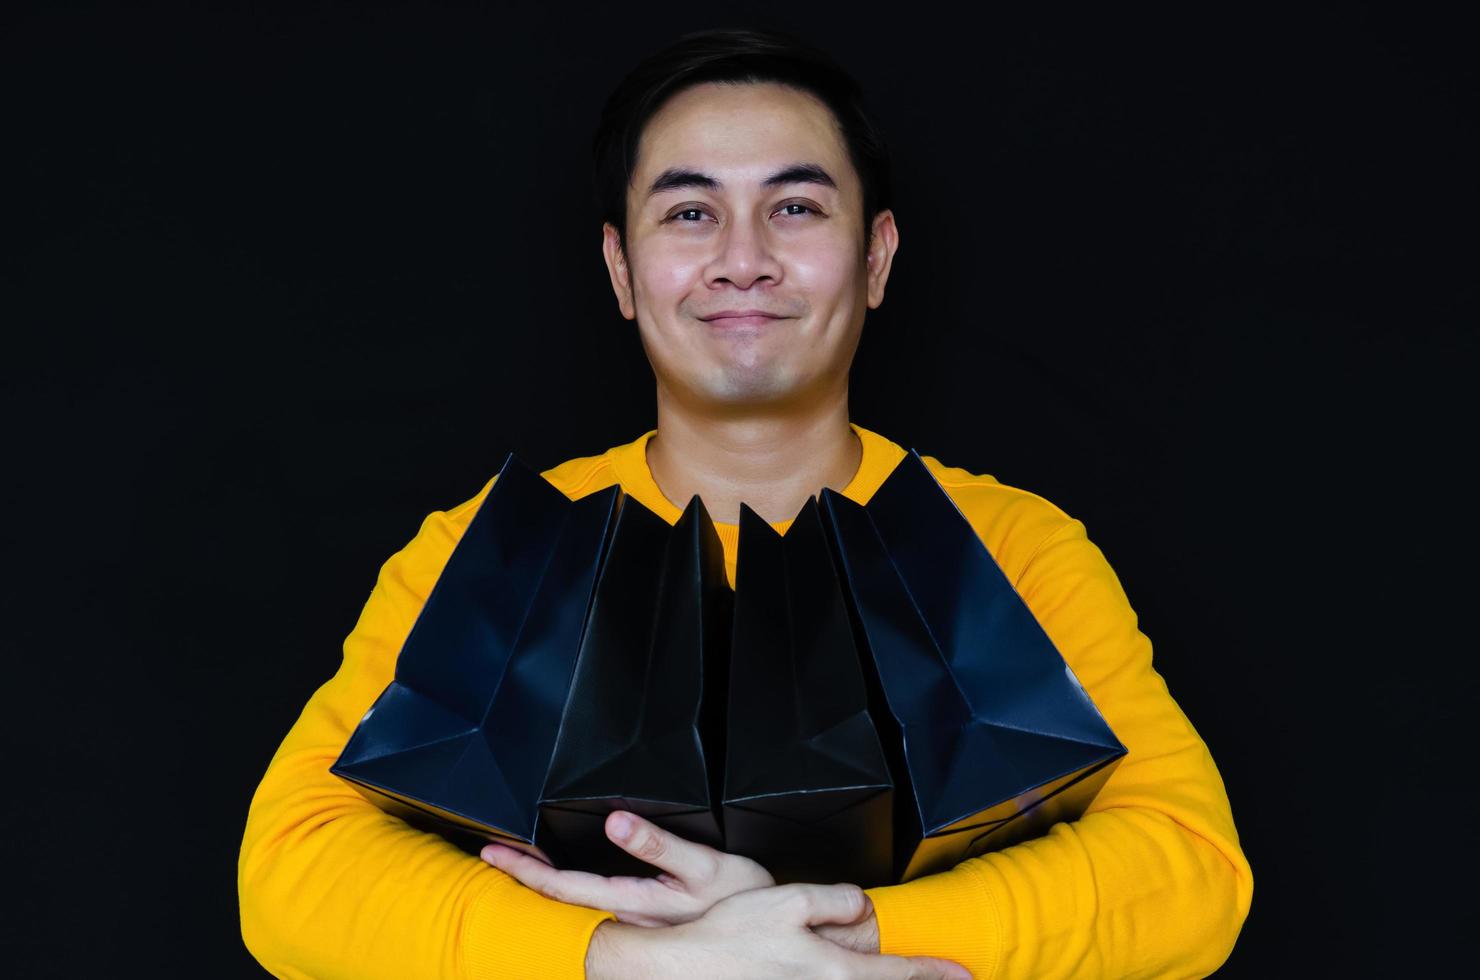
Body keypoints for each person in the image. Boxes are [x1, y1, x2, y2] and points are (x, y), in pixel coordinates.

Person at [238, 26, 1253, 979]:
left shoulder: (1010, 544)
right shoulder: (496, 547)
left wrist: (828, 935)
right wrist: (627, 959)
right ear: (620, 269)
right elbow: (290, 870)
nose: (742, 257)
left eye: (796, 207)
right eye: (689, 212)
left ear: (877, 257)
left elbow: (1189, 867)